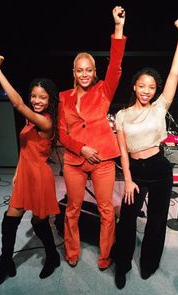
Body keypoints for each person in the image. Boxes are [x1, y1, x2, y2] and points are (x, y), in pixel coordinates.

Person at [111, 17, 178, 289]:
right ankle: (121, 265)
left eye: (151, 87)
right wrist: (129, 179)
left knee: (156, 222)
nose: (146, 91)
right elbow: (122, 151)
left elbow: (174, 73)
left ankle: (148, 263)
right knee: (127, 221)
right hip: (136, 172)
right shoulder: (122, 115)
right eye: (142, 86)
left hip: (159, 169)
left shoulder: (159, 108)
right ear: (134, 86)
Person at [58, 6, 127, 270]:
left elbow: (117, 62)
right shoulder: (64, 97)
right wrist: (81, 148)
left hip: (103, 160)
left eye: (88, 70)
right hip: (75, 160)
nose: (84, 74)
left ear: (94, 71)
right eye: (79, 70)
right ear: (73, 72)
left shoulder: (104, 90)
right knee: (72, 209)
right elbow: (62, 134)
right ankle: (72, 250)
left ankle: (105, 254)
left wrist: (118, 27)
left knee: (106, 210)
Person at [0, 53, 61, 287]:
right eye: (33, 96)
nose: (36, 100)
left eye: (42, 97)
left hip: (40, 177)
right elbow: (25, 149)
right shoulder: (31, 120)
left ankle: (52, 256)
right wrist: (18, 172)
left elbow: (17, 103)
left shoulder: (46, 121)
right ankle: (5, 264)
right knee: (9, 221)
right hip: (25, 175)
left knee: (39, 223)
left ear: (50, 100)